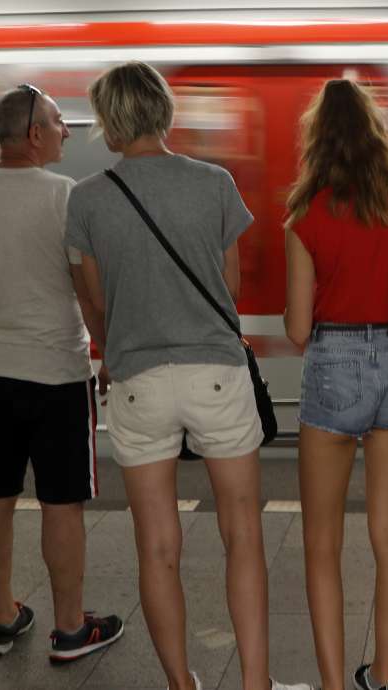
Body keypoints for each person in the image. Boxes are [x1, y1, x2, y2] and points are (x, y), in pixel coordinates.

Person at [64, 62, 310, 690]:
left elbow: (92, 304)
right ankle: (255, 682)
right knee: (243, 534)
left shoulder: (87, 198)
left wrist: (117, 342)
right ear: (162, 112)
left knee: (158, 547)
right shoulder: (214, 182)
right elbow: (229, 286)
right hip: (216, 375)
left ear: (111, 122)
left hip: (137, 382)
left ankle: (182, 684)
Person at [0, 84, 124, 663]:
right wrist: (106, 353)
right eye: (60, 123)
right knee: (61, 503)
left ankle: (1, 618)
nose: (69, 132)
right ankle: (71, 628)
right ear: (35, 134)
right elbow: (88, 293)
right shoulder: (67, 197)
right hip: (57, 376)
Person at [283, 79, 388, 690]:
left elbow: (299, 330)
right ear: (377, 135)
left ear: (317, 142)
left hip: (333, 368)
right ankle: (380, 677)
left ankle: (333, 683)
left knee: (322, 542)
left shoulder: (305, 217)